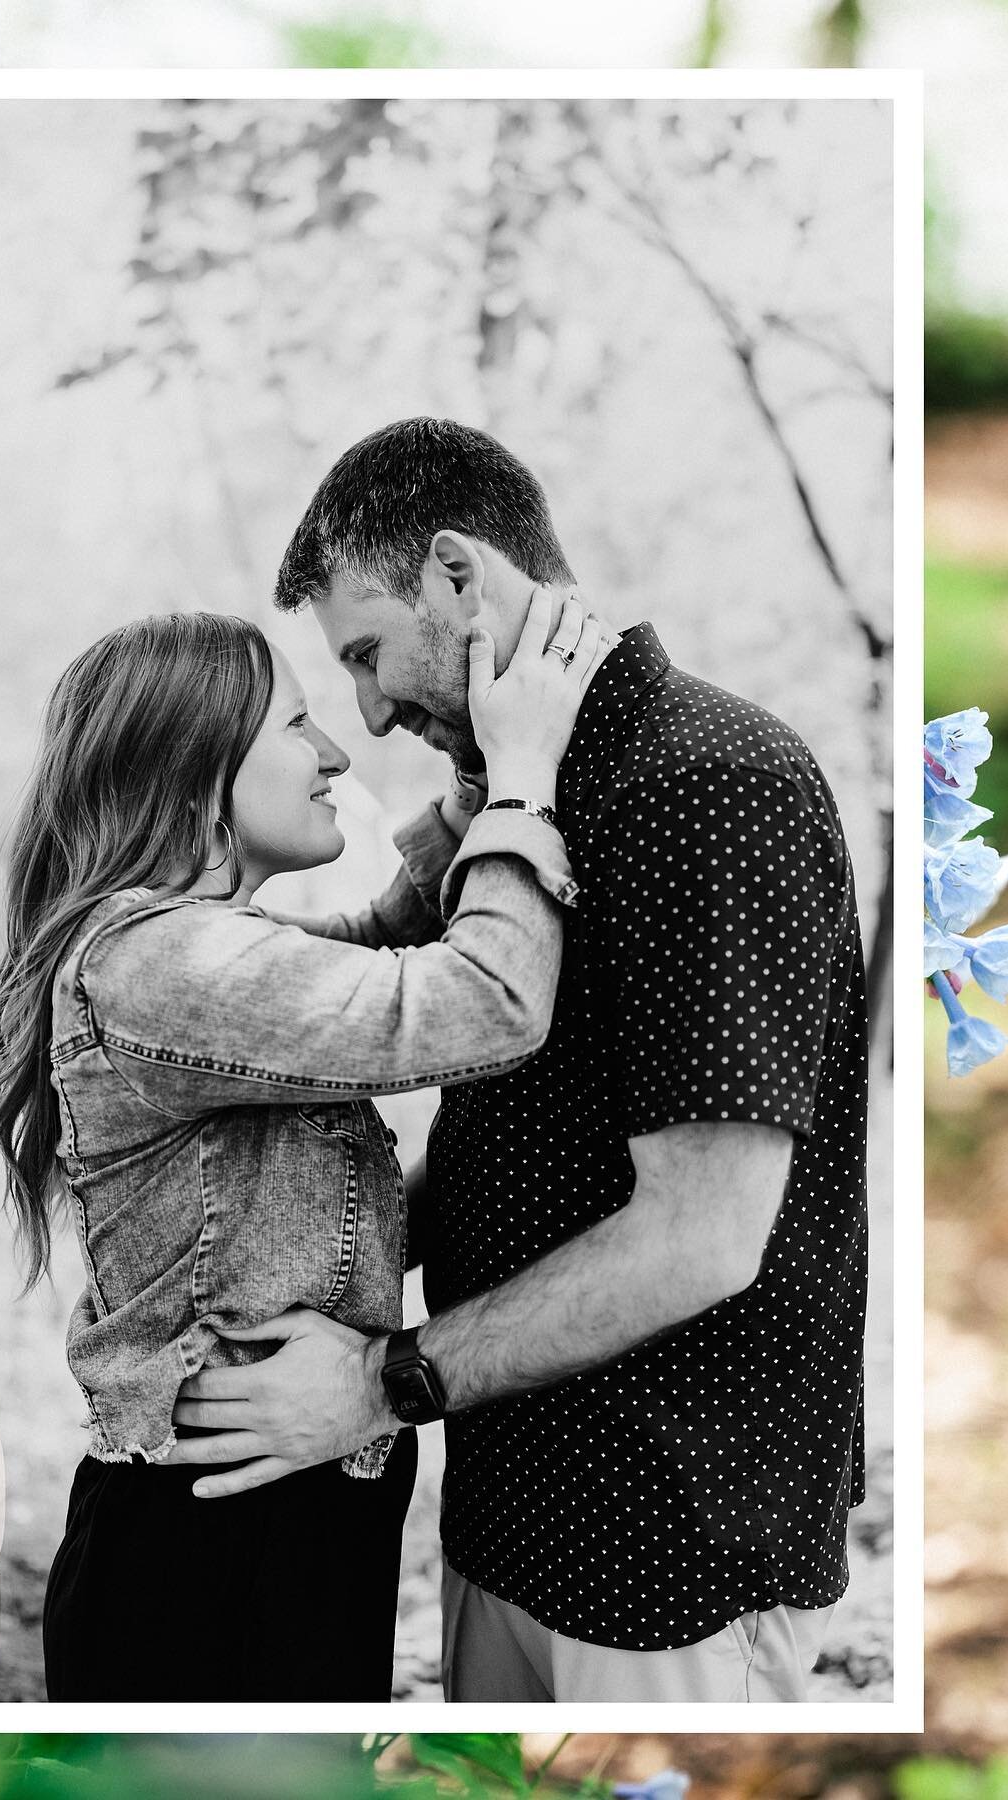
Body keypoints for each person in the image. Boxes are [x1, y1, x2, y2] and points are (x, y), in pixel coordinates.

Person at [167, 418, 871, 1705]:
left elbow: (704, 1237)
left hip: (665, 1553)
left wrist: (379, 1386)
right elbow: (513, 1144)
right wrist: (334, 1299)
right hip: (509, 1513)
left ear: (457, 573)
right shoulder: (535, 807)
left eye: (368, 656)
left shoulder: (707, 783)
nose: (370, 713)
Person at [0, 598, 609, 1701]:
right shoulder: (154, 964)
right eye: (298, 725)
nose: (332, 752)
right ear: (192, 775)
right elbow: (487, 1001)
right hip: (208, 1546)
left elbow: (359, 954)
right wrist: (520, 784)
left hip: (283, 1523)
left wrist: (461, 792)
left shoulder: (195, 952)